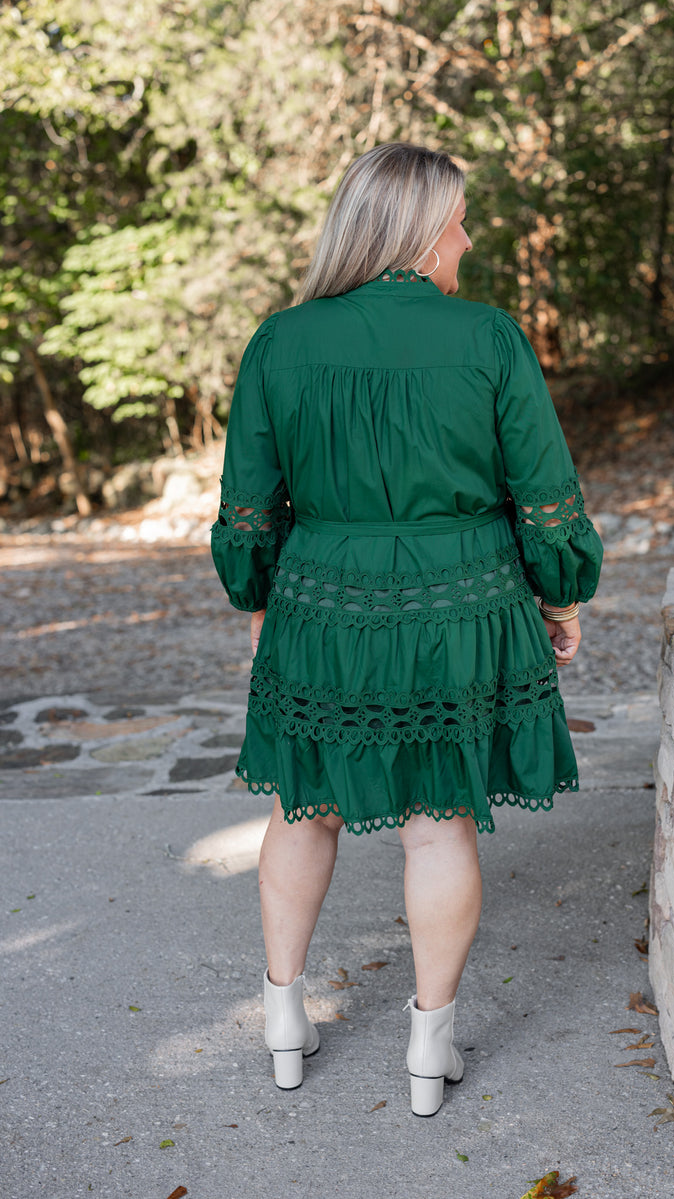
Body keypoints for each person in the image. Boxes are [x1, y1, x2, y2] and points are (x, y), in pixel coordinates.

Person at [211, 142, 602, 1116]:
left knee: (303, 807)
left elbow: (246, 510)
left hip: (323, 605)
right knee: (437, 825)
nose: (466, 238)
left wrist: (260, 601)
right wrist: (561, 594)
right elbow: (546, 496)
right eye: (458, 219)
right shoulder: (487, 339)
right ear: (420, 230)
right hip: (457, 604)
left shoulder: (279, 342)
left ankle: (283, 1019)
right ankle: (429, 1046)